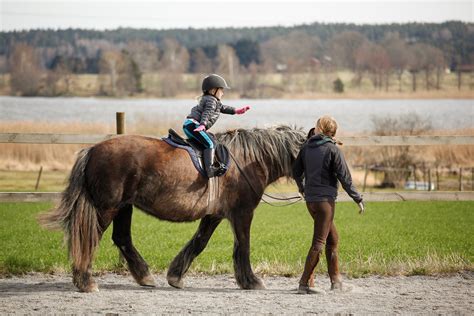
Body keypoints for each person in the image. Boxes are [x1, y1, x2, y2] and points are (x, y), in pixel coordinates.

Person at [293, 115, 364, 294]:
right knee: (319, 242)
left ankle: (336, 282)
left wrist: (302, 189)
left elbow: (296, 171)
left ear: (319, 129)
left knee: (333, 238)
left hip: (311, 202)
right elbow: (345, 178)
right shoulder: (333, 149)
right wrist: (358, 198)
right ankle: (304, 284)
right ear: (332, 131)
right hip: (325, 203)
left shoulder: (306, 147)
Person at [183, 74, 250, 178]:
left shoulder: (212, 100)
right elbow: (207, 112)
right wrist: (202, 124)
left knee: (208, 139)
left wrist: (236, 111)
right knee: (210, 144)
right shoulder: (211, 101)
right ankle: (210, 169)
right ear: (213, 90)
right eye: (221, 90)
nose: (223, 93)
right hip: (195, 126)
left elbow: (223, 108)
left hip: (190, 126)